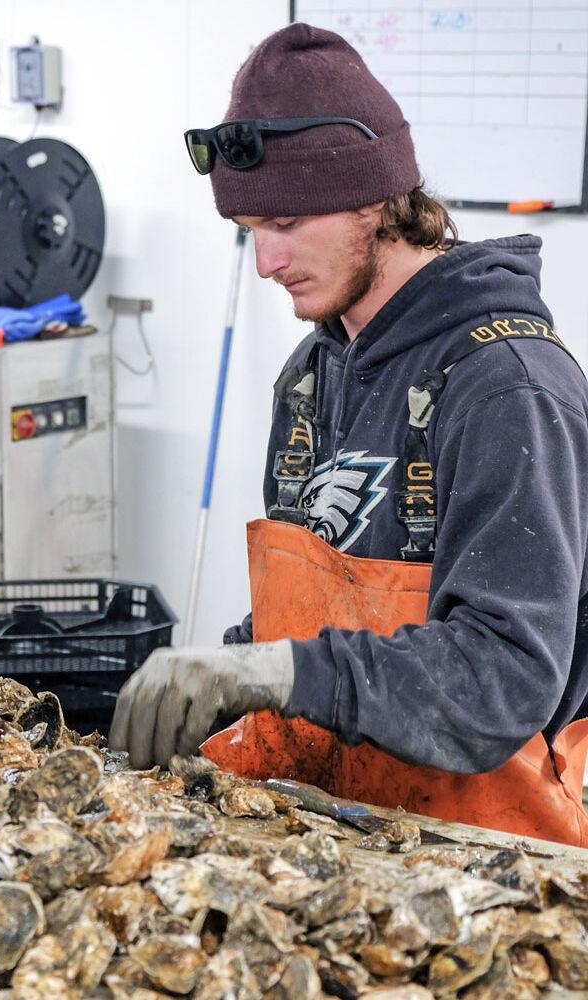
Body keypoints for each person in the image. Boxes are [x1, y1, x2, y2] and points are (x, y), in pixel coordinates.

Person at [110, 22, 588, 846]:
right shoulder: (310, 374)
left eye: (287, 222)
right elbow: (312, 613)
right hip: (334, 826)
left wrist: (277, 672)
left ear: (376, 197)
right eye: (250, 227)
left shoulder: (508, 387)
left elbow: (506, 682)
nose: (265, 262)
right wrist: (226, 670)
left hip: (486, 852)